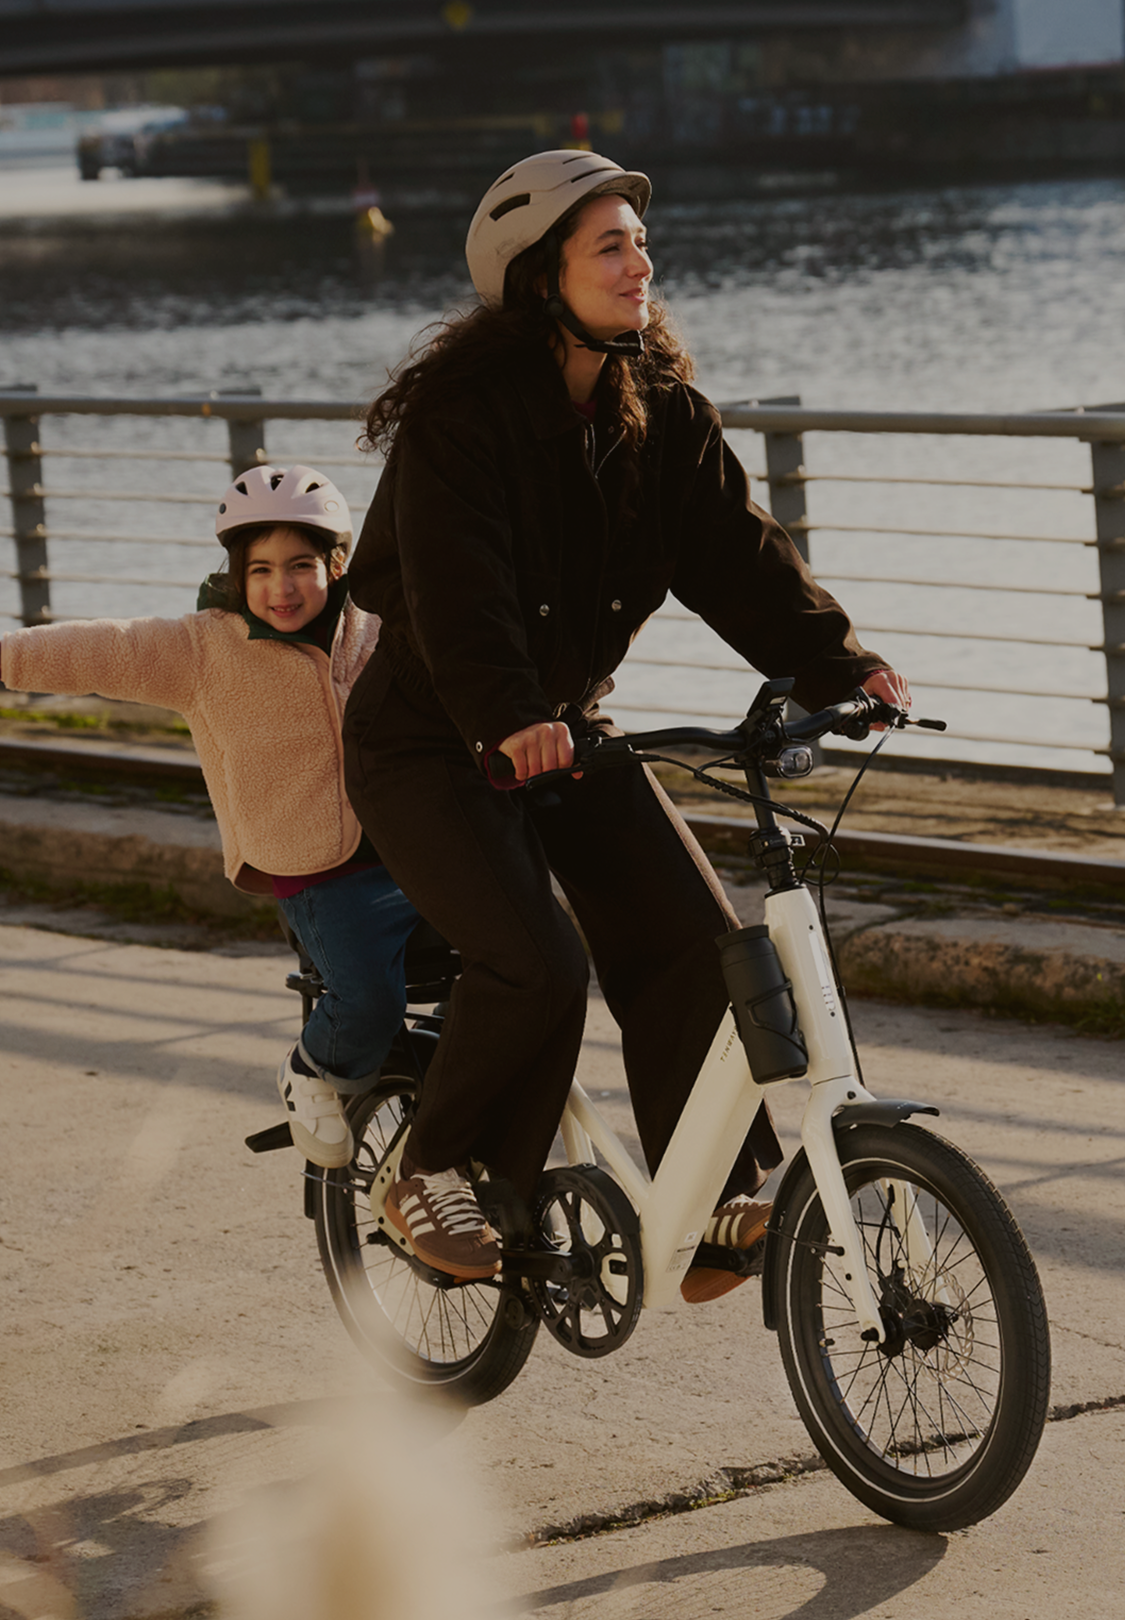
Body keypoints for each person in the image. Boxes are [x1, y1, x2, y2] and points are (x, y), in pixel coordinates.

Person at [341, 149, 910, 1297]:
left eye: (641, 243)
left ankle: (711, 1207)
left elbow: (738, 558)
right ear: (538, 275)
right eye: (610, 245)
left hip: (558, 730)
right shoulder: (462, 421)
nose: (640, 262)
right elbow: (457, 592)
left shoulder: (662, 417)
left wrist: (839, 664)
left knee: (697, 942)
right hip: (430, 739)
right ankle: (434, 1168)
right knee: (535, 963)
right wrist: (506, 714)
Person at [0, 464, 419, 1168]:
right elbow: (98, 648)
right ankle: (313, 1069)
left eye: (301, 565)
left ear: (337, 564)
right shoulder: (201, 648)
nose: (281, 588)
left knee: (509, 969)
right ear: (236, 574)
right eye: (260, 570)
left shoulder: (373, 629)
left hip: (416, 851)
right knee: (369, 1000)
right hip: (314, 869)